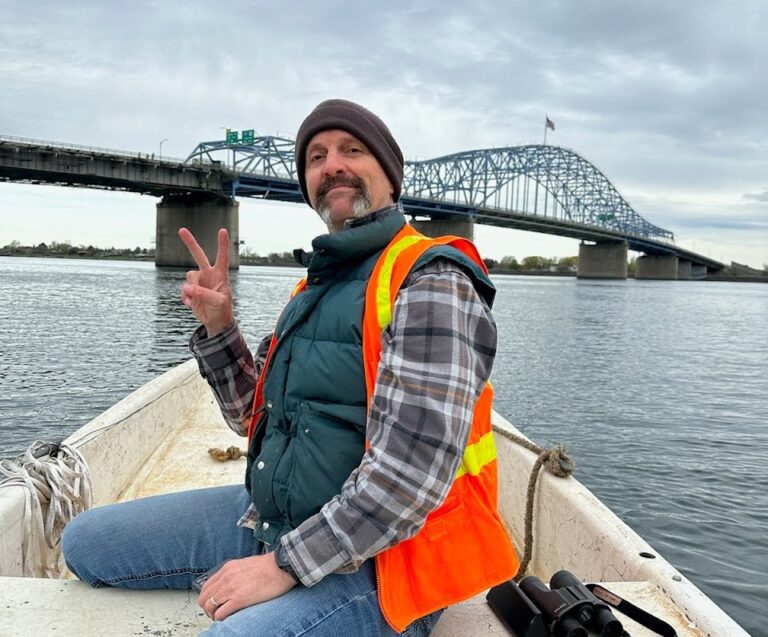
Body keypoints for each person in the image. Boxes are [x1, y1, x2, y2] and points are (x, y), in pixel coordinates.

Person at [62, 99, 519, 636]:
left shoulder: (430, 280)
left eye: (352, 150)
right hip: (276, 519)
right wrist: (219, 329)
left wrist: (282, 567)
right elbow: (251, 421)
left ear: (391, 178)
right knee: (85, 544)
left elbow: (408, 478)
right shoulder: (314, 287)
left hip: (391, 561)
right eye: (316, 157)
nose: (331, 166)